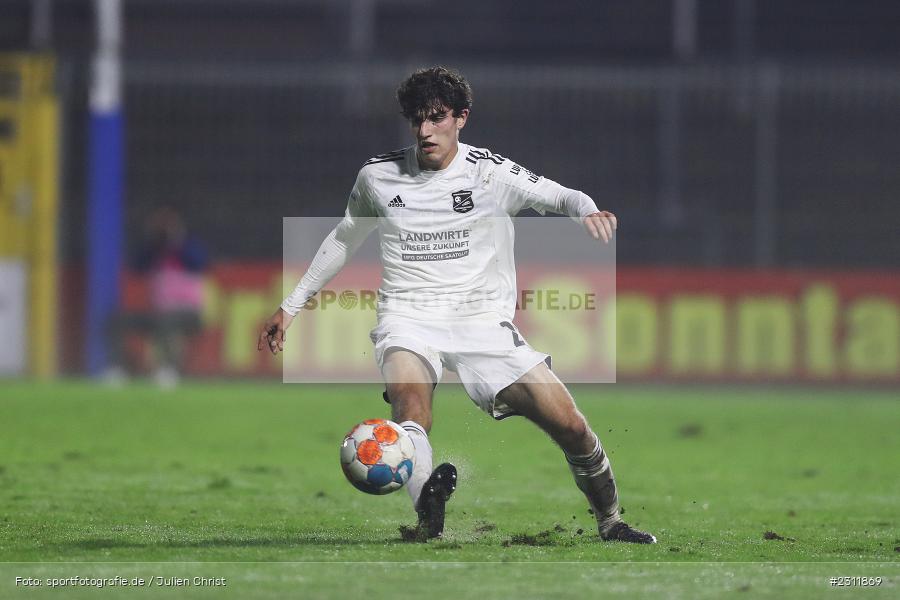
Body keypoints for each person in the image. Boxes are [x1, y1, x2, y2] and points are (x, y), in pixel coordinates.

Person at [259, 67, 655, 544]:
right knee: (411, 408)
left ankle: (610, 522)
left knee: (571, 426)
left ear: (461, 118)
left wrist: (588, 210)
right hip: (408, 316)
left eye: (437, 118)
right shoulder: (377, 177)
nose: (426, 131)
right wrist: (291, 305)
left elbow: (559, 195)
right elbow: (344, 239)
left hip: (481, 322)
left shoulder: (490, 173)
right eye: (417, 121)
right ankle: (429, 511)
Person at [104, 207, 209, 388]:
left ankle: (168, 370)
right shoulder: (154, 253)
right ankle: (119, 368)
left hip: (189, 313)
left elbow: (199, 262)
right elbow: (137, 265)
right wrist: (154, 242)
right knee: (117, 320)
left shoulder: (189, 249)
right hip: (159, 312)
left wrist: (177, 241)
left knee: (166, 322)